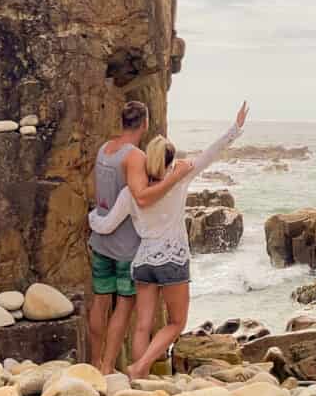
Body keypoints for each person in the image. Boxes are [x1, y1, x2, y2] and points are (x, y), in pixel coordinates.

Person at [88, 101, 250, 379]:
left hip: (142, 262)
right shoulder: (179, 180)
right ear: (170, 161)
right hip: (172, 260)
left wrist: (91, 217)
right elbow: (209, 155)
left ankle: (137, 378)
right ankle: (140, 367)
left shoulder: (130, 192)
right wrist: (234, 129)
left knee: (142, 325)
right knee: (176, 322)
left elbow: (106, 223)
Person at [87, 100, 194, 374]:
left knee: (100, 301)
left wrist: (93, 219)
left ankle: (94, 362)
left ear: (122, 120)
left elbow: (106, 197)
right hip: (125, 246)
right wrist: (175, 179)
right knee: (123, 308)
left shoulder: (104, 150)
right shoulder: (134, 156)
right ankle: (108, 367)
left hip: (101, 241)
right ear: (145, 123)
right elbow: (143, 197)